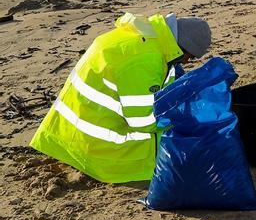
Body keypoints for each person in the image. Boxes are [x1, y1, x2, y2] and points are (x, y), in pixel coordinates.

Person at [30, 13, 211, 183]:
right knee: (184, 141)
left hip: (68, 135)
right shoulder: (144, 61)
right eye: (189, 56)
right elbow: (145, 122)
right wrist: (187, 118)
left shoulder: (144, 36)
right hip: (99, 150)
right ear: (182, 46)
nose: (187, 62)